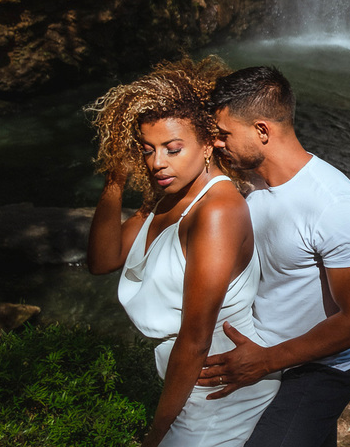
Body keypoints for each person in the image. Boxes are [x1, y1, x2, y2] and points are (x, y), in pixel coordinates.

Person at [86, 57, 280, 447]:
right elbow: (103, 261)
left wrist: (158, 431)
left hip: (216, 384)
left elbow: (195, 337)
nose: (157, 162)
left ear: (208, 143)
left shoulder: (217, 211)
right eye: (146, 149)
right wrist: (115, 178)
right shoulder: (166, 196)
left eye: (173, 149)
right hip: (188, 378)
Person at [197, 66, 350, 447]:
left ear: (262, 131)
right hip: (265, 354)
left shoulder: (336, 205)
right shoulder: (248, 183)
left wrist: (264, 361)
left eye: (224, 134)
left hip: (316, 369)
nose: (217, 144)